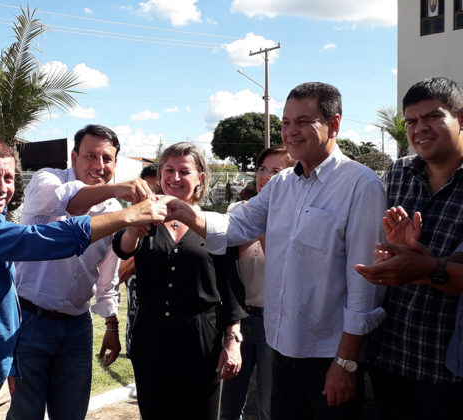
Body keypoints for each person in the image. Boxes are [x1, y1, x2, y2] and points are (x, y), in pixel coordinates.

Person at [164, 82, 387, 419]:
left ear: (334, 125)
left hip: (328, 356)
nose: (290, 132)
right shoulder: (282, 185)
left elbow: (364, 285)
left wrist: (346, 362)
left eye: (302, 121)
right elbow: (238, 226)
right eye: (285, 122)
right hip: (281, 350)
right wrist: (184, 211)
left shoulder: (361, 184)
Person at [0, 137, 166, 420]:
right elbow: (38, 240)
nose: (3, 187)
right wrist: (128, 215)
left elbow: (2, 304)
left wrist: (8, 366)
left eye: (8, 177)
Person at [7, 124, 157, 420]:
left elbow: (107, 275)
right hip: (28, 322)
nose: (99, 166)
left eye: (107, 159)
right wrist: (116, 189)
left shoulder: (114, 210)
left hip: (76, 327)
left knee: (72, 414)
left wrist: (111, 326)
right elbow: (60, 202)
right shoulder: (46, 180)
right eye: (90, 156)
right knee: (25, 413)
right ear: (74, 157)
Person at [353, 77, 463, 420]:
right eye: (412, 122)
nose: (419, 130)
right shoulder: (397, 173)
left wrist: (425, 266)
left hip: (450, 367)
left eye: (432, 117)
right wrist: (390, 255)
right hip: (391, 355)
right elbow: (384, 250)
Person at [113, 142, 246, 420]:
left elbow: (230, 286)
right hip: (150, 336)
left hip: (201, 338)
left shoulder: (214, 223)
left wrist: (232, 340)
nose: (175, 178)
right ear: (159, 175)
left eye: (184, 171)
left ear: (200, 178)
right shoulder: (144, 215)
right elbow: (122, 248)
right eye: (168, 170)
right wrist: (134, 230)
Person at [220, 147, 295, 420]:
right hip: (237, 320)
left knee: (270, 405)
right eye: (263, 170)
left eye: (277, 171)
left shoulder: (292, 217)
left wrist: (259, 228)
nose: (267, 177)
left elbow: (282, 262)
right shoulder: (237, 211)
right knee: (229, 403)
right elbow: (227, 260)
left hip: (273, 321)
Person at [119, 163, 159, 360]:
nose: (152, 198)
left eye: (158, 190)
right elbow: (116, 275)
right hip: (139, 320)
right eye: (147, 191)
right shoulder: (129, 226)